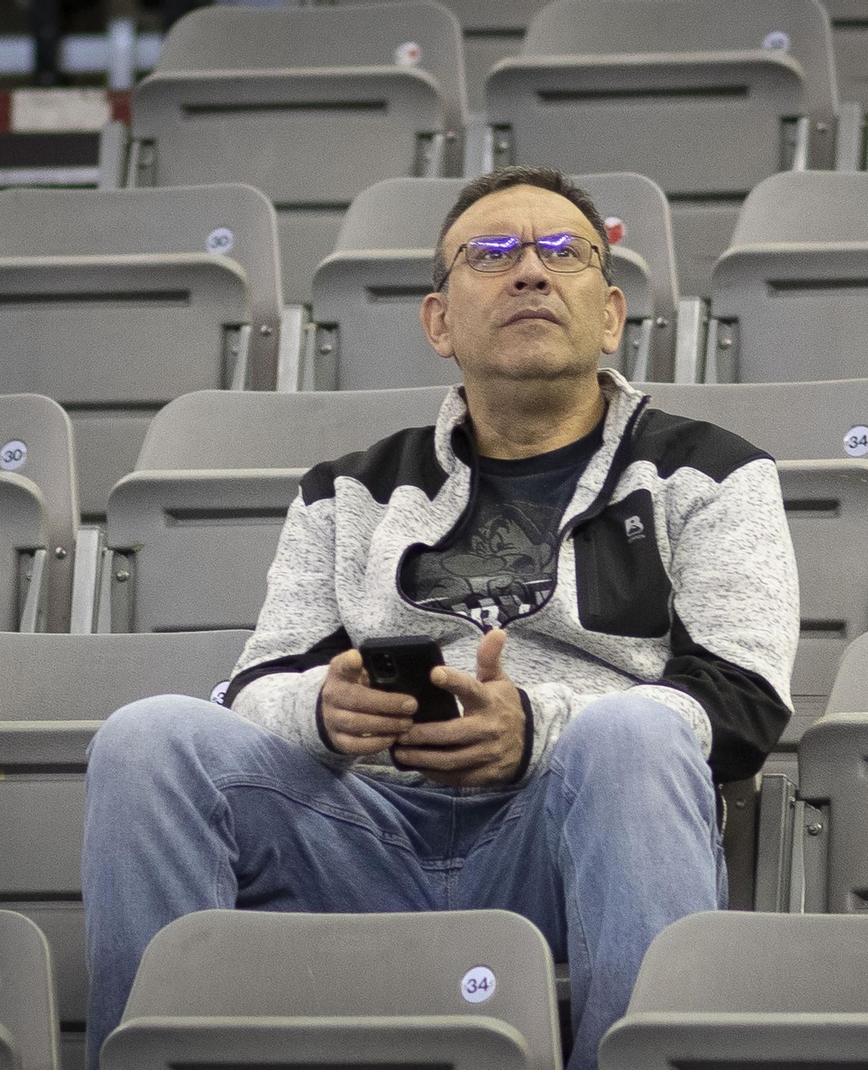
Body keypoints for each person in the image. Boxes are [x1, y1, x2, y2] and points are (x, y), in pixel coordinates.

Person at [81, 166, 799, 1070]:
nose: (529, 271)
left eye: (563, 252)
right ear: (439, 322)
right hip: (363, 833)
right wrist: (321, 710)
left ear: (611, 315)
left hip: (569, 831)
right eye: (491, 254)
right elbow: (258, 681)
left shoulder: (712, 474)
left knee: (634, 737)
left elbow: (745, 701)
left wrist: (536, 729)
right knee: (147, 739)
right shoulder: (349, 490)